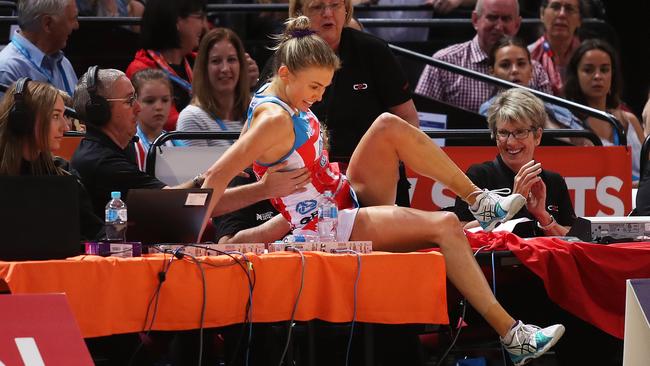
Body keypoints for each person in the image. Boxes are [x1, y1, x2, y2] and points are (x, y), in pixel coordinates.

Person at [201, 17, 565, 366]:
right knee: (446, 226)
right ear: (285, 74)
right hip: (327, 226)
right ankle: (513, 336)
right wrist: (256, 192)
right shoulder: (273, 120)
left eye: (326, 86)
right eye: (315, 87)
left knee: (389, 124)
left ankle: (480, 201)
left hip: (342, 193)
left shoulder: (278, 89)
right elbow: (215, 178)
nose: (320, 95)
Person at [70, 67, 309, 221]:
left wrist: (206, 177)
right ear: (99, 111)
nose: (138, 107)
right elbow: (178, 208)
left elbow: (175, 200)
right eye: (129, 100)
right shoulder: (101, 162)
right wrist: (263, 190)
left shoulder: (113, 150)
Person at [282, 0, 418, 206]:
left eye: (335, 5)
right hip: (309, 184)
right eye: (318, 7)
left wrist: (392, 167)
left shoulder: (372, 50)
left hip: (374, 179)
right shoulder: (287, 57)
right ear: (301, 13)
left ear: (346, 9)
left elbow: (407, 118)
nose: (328, 13)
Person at [455, 88, 576, 236]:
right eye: (504, 133)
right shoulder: (478, 176)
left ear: (537, 136)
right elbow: (460, 232)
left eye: (520, 132)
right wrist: (509, 207)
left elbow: (573, 240)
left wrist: (543, 216)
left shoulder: (554, 181)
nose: (511, 142)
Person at [126, 0, 259, 131]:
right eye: (200, 17)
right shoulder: (140, 70)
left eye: (231, 60)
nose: (204, 25)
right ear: (177, 21)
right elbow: (166, 123)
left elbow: (226, 105)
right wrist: (207, 123)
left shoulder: (202, 60)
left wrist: (244, 84)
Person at [0, 79, 103, 240]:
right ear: (23, 121)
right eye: (55, 116)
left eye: (63, 116)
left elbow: (94, 232)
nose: (65, 127)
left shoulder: (63, 174)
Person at [415, 0, 552, 112]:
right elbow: (422, 118)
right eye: (492, 17)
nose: (499, 26)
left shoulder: (536, 70)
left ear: (517, 24)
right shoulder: (443, 62)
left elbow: (551, 125)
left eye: (506, 19)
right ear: (475, 20)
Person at [564, 39, 644, 181]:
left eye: (604, 70)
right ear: (576, 76)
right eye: (588, 70)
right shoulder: (569, 124)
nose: (598, 76)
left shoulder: (630, 120)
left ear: (612, 75)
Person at [479, 36, 584, 133]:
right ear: (492, 72)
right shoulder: (488, 111)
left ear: (531, 70)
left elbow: (585, 143)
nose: (515, 70)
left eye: (521, 64)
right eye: (505, 65)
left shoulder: (555, 106)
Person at [176, 28, 250, 147]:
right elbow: (196, 166)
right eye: (216, 61)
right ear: (204, 68)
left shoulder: (256, 113)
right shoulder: (192, 118)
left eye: (231, 60)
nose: (225, 68)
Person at [0, 0, 79, 98]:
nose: (76, 25)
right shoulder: (7, 71)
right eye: (72, 19)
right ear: (48, 24)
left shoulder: (63, 62)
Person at [130, 69, 185, 171]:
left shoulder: (179, 144)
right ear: (134, 102)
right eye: (150, 101)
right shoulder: (127, 145)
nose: (159, 107)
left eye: (165, 100)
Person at [528, 0, 583, 96]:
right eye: (556, 7)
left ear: (580, 20)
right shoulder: (528, 56)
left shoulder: (589, 58)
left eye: (569, 9)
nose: (562, 14)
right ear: (542, 14)